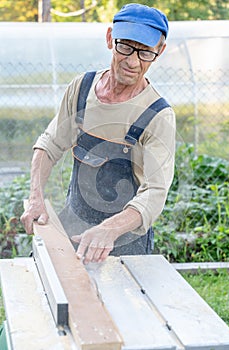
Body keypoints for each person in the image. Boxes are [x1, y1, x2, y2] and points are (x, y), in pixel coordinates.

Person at [21, 3, 176, 265]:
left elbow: (155, 192)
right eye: (125, 46)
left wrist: (109, 230)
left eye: (145, 52)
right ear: (109, 39)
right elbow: (49, 145)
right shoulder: (82, 88)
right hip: (73, 223)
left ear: (159, 52)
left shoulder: (157, 115)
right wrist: (35, 197)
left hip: (126, 240)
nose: (132, 61)